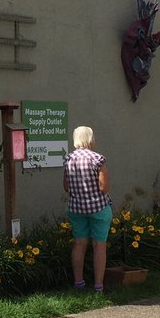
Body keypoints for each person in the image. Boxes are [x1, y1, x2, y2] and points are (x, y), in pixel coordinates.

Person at [63, 125, 112, 292]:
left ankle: (79, 282)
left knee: (79, 243)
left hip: (76, 207)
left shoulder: (68, 159)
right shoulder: (98, 159)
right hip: (98, 207)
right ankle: (98, 285)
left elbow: (66, 186)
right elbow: (104, 187)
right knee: (99, 245)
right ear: (90, 139)